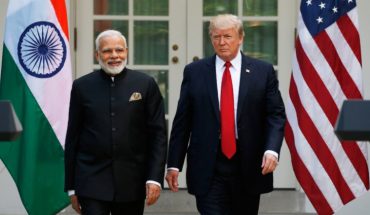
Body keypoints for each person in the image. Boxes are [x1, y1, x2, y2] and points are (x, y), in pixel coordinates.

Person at [165, 14, 286, 215]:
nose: (221, 42)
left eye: (227, 36)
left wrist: (272, 150)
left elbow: (275, 115)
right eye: (216, 37)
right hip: (208, 165)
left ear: (241, 38)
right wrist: (173, 165)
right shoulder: (195, 72)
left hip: (247, 163)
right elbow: (182, 121)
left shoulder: (262, 71)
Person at [64, 30, 167, 215]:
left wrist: (154, 178)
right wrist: (71, 187)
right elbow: (73, 137)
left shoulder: (146, 84)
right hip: (91, 179)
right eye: (107, 51)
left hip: (132, 180)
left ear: (126, 51)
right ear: (97, 55)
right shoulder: (81, 87)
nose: (114, 56)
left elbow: (158, 135)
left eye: (119, 50)